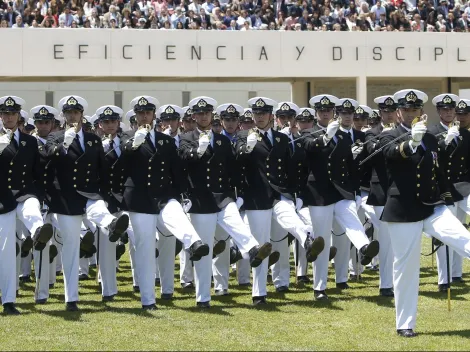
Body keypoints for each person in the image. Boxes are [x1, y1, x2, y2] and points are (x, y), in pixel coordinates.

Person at [380, 89, 470, 338]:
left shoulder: (430, 138)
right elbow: (389, 154)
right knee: (406, 268)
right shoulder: (389, 135)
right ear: (398, 112)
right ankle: (405, 323)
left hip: (431, 206)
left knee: (463, 239)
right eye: (406, 110)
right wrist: (411, 143)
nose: (410, 114)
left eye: (415, 110)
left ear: (421, 112)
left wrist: (446, 197)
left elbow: (437, 171)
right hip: (403, 209)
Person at [179, 98, 273, 307]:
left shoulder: (222, 141)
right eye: (199, 114)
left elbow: (234, 169)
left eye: (207, 113)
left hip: (223, 196)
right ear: (194, 116)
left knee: (236, 223)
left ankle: (252, 249)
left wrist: (238, 195)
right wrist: (198, 151)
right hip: (201, 200)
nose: (203, 117)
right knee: (205, 252)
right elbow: (184, 161)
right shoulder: (187, 138)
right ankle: (203, 297)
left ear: (212, 115)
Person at [120, 95, 210, 310]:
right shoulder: (126, 137)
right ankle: (148, 300)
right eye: (140, 113)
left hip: (163, 195)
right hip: (139, 199)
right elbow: (120, 162)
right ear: (135, 115)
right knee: (145, 248)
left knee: (176, 214)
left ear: (153, 115)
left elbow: (176, 172)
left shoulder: (166, 141)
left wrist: (182, 196)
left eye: (148, 113)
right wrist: (134, 144)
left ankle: (193, 243)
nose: (144, 116)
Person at [235, 97, 325, 305]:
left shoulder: (280, 139)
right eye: (256, 114)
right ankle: (259, 293)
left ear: (270, 116)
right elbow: (238, 159)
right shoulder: (242, 135)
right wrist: (247, 148)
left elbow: (290, 169)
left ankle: (307, 240)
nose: (259, 117)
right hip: (256, 195)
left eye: (263, 114)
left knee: (289, 218)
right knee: (261, 244)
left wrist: (295, 195)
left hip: (279, 192)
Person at [45, 95, 129, 312]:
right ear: (63, 116)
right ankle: (71, 297)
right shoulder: (55, 137)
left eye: (76, 112)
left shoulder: (92, 139)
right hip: (66, 198)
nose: (72, 116)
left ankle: (111, 224)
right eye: (68, 113)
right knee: (71, 248)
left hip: (90, 193)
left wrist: (105, 195)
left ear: (82, 114)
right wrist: (65, 142)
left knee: (99, 208)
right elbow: (49, 158)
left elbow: (102, 171)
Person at [301, 95, 380, 301]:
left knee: (350, 217)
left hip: (341, 191)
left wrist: (355, 158)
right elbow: (309, 148)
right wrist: (325, 138)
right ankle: (319, 287)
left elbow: (350, 168)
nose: (325, 113)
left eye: (328, 111)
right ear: (316, 113)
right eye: (321, 111)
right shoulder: (309, 132)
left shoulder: (344, 136)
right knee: (322, 239)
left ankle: (363, 246)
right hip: (319, 192)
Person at [0, 96, 54, 315]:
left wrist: (40, 195)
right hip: (2, 198)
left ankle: (38, 231)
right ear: (1, 116)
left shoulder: (29, 141)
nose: (9, 117)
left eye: (13, 114)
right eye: (5, 114)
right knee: (5, 251)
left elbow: (38, 172)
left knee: (32, 209)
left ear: (19, 116)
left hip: (25, 192)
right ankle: (8, 300)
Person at [429, 93, 469, 291]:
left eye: (451, 109)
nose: (448, 112)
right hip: (443, 189)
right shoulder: (431, 132)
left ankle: (456, 272)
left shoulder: (465, 134)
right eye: (444, 109)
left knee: (461, 229)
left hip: (463, 187)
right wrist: (444, 142)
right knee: (446, 234)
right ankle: (444, 279)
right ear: (438, 111)